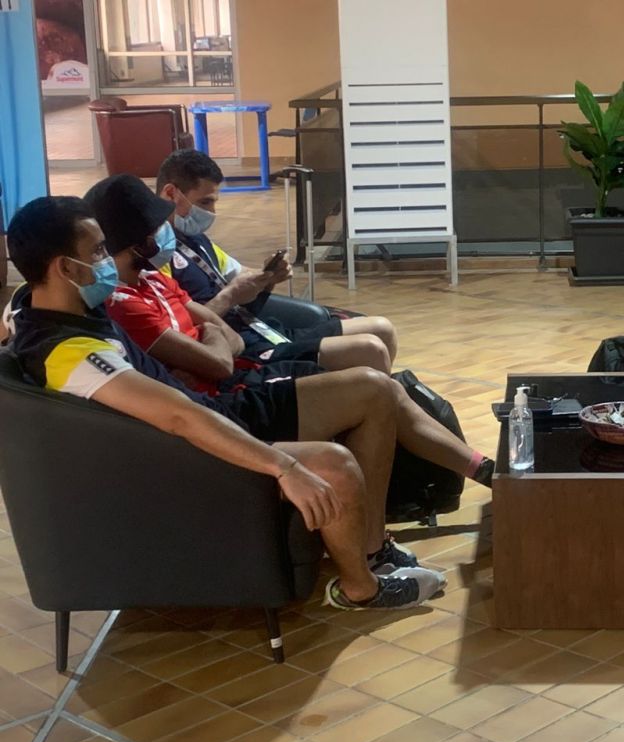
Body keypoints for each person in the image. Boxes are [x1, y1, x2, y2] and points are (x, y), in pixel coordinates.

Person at [5, 196, 446, 611]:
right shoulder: (71, 354)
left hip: (214, 408)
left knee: (373, 389)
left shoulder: (40, 303)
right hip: (191, 451)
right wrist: (285, 467)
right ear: (66, 267)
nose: (107, 261)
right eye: (99, 251)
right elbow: (179, 417)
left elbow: (14, 316)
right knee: (335, 464)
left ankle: (371, 549)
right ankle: (361, 591)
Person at [84, 175, 497, 498]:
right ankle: (444, 492)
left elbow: (226, 336)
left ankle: (483, 470)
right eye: (161, 224)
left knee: (382, 383)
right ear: (139, 241)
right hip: (230, 395)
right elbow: (220, 358)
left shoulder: (156, 276)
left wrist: (217, 329)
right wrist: (214, 335)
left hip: (247, 359)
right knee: (374, 384)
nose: (170, 228)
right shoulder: (123, 303)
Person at [155, 148, 398, 374]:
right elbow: (179, 330)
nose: (212, 212)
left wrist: (269, 276)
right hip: (244, 351)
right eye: (205, 202)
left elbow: (239, 275)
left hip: (264, 330)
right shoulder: (157, 256)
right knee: (371, 349)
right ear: (171, 193)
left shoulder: (196, 239)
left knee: (382, 329)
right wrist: (230, 296)